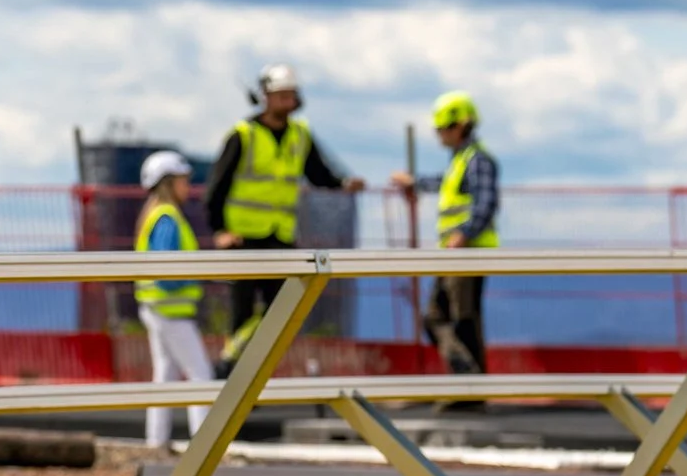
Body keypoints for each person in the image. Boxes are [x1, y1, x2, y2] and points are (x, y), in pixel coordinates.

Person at [203, 63, 364, 373]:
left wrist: (343, 184)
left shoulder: (300, 135)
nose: (287, 102)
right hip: (242, 239)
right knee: (242, 310)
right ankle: (232, 371)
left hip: (280, 236)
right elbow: (216, 187)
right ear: (265, 96)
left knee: (282, 309)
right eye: (281, 95)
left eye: (291, 95)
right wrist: (219, 230)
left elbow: (317, 173)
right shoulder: (243, 135)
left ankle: (237, 364)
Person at [390, 90, 498, 377]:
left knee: (462, 320)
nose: (439, 135)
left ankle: (470, 385)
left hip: (467, 252)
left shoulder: (477, 160)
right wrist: (414, 183)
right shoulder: (461, 161)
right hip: (453, 253)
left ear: (460, 126)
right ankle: (466, 379)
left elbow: (486, 203)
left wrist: (464, 234)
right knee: (438, 317)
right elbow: (445, 183)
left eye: (443, 129)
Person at [132, 150, 212, 446]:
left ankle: (156, 442)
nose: (187, 186)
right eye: (183, 180)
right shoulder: (167, 217)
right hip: (171, 312)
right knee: (201, 375)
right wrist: (196, 275)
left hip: (157, 309)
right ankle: (204, 444)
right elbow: (166, 273)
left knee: (165, 377)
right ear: (168, 183)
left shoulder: (155, 214)